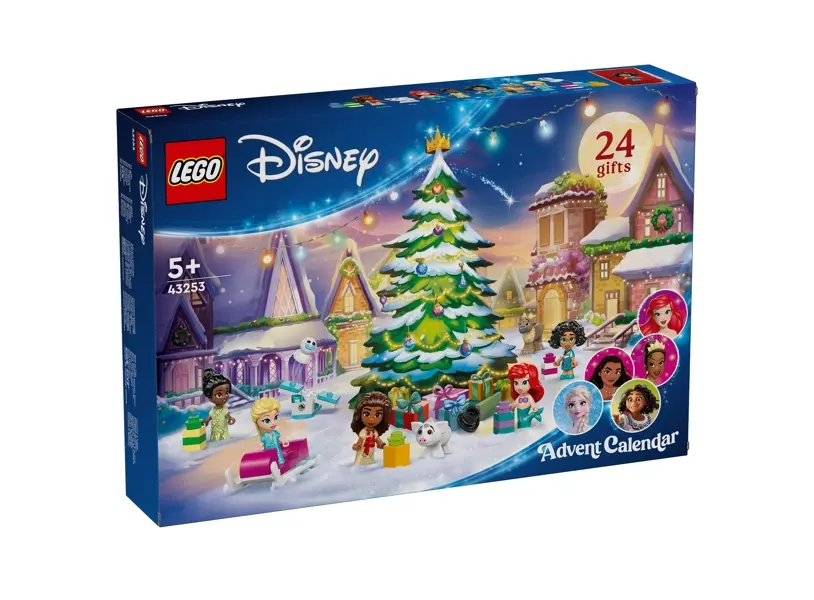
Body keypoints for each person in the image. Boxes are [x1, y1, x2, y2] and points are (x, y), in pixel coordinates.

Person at [350, 392, 391, 466]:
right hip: (362, 455)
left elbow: (377, 440)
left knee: (369, 462)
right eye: (366, 414)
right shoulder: (363, 432)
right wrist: (356, 446)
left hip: (370, 455)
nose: (371, 419)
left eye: (377, 414)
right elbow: (360, 441)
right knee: (361, 463)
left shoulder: (374, 432)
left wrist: (382, 445)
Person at [201, 369, 234, 442]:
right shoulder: (213, 410)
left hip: (224, 433)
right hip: (215, 434)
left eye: (227, 393)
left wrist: (230, 419)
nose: (224, 397)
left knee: (224, 441)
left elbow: (227, 416)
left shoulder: (224, 409)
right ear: (209, 396)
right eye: (219, 395)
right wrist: (205, 421)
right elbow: (209, 417)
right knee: (216, 440)